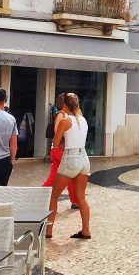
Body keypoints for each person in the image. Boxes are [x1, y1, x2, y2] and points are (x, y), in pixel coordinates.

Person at [46, 93, 91, 239]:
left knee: (53, 195)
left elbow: (56, 142)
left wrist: (62, 144)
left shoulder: (65, 121)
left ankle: (48, 232)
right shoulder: (83, 120)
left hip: (71, 158)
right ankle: (86, 231)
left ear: (65, 105)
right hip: (84, 158)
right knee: (81, 198)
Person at [42, 94, 78, 208]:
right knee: (68, 175)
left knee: (63, 175)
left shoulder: (68, 115)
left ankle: (75, 201)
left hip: (60, 149)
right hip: (59, 149)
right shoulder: (61, 115)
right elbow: (58, 130)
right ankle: (41, 195)